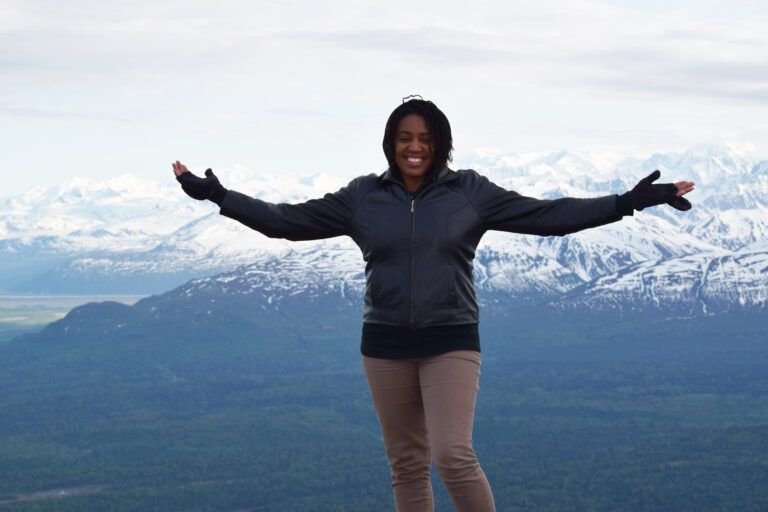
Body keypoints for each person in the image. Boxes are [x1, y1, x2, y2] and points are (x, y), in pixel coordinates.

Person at [172, 96, 695, 512]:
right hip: (384, 343)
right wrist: (221, 197)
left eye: (424, 138)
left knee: (452, 456)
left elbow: (549, 216)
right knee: (406, 463)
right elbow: (286, 222)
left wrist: (625, 203)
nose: (413, 147)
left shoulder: (470, 192)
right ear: (390, 144)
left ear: (441, 144)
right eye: (404, 138)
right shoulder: (362, 197)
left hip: (451, 340)